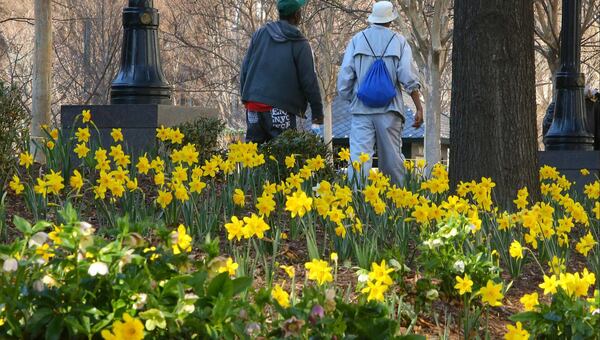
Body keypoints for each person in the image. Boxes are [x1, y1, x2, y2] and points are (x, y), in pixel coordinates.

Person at [337, 0, 423, 186]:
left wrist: (350, 97)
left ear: (373, 19)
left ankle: (355, 202)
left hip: (361, 110)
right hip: (389, 110)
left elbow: (345, 77)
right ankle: (396, 202)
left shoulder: (357, 40)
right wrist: (418, 107)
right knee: (392, 160)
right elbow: (408, 76)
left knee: (359, 160)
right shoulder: (399, 41)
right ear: (390, 20)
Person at [240, 0, 323, 144]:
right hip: (280, 109)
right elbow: (309, 80)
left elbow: (245, 68)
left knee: (253, 157)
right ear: (297, 14)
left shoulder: (260, 34)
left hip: (253, 106)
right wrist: (317, 112)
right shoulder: (300, 43)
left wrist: (246, 97)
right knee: (283, 156)